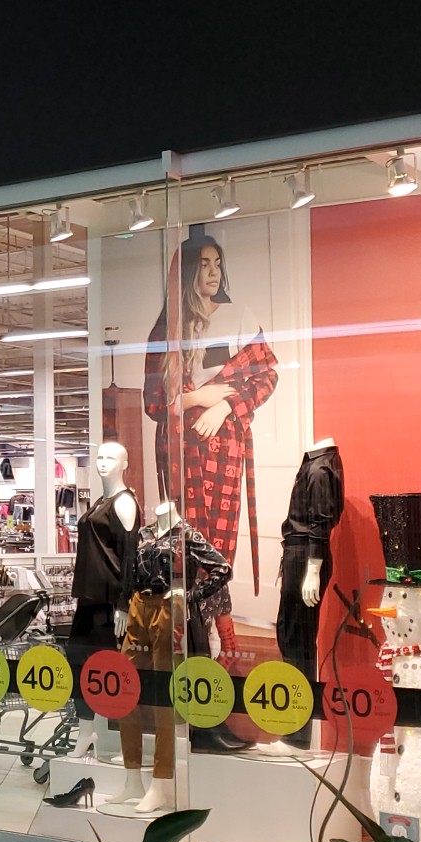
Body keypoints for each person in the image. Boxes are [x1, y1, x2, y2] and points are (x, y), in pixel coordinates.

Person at [142, 229, 279, 655]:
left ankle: (222, 637)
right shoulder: (167, 330)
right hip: (181, 449)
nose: (213, 272)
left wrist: (225, 407)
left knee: (217, 544)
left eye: (217, 264)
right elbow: (154, 401)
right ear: (187, 272)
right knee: (186, 542)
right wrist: (195, 399)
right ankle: (200, 637)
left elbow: (266, 376)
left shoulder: (239, 317)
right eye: (204, 265)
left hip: (224, 446)